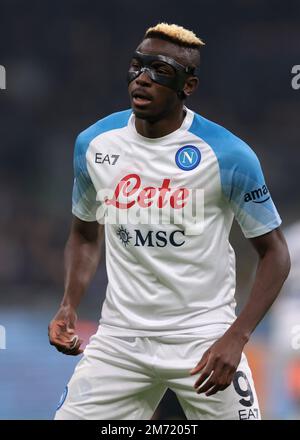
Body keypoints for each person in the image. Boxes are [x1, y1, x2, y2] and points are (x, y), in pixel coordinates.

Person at [49, 23, 290, 420]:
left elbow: (276, 254)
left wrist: (237, 337)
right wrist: (68, 305)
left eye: (159, 71)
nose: (142, 79)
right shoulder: (94, 144)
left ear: (188, 85)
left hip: (205, 342)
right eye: (136, 67)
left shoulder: (228, 155)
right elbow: (84, 235)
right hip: (120, 341)